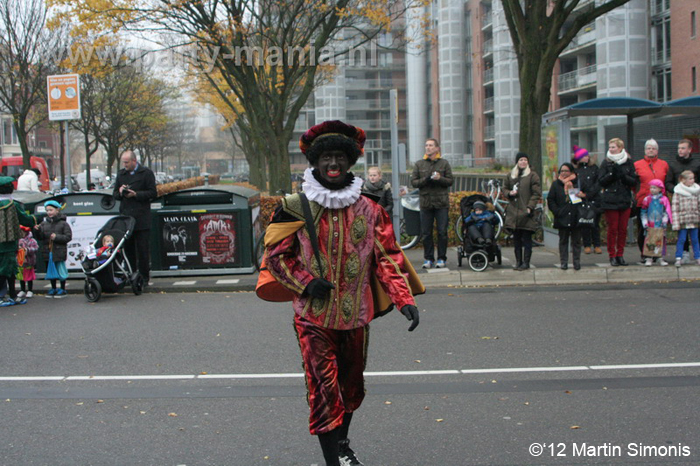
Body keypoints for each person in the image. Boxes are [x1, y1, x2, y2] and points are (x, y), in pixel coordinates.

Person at [265, 120, 422, 466]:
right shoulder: (294, 206)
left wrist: (404, 299)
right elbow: (276, 259)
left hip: (356, 318)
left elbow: (387, 257)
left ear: (350, 162)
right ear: (315, 162)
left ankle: (341, 444)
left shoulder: (370, 208)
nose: (333, 164)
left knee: (351, 390)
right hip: (313, 318)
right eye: (326, 157)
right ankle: (332, 461)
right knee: (324, 391)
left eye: (339, 157)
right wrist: (305, 282)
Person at [112, 150, 157, 284]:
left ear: (134, 161)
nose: (124, 165)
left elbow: (152, 193)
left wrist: (136, 194)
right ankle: (131, 275)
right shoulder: (121, 174)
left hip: (141, 217)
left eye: (126, 162)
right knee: (128, 249)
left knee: (143, 250)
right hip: (126, 218)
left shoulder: (146, 173)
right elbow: (114, 194)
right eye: (123, 162)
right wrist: (120, 192)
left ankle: (143, 277)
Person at [410, 138, 453, 269]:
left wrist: (440, 179)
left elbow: (450, 181)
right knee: (426, 233)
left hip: (441, 203)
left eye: (430, 145)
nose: (428, 148)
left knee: (442, 232)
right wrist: (426, 179)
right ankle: (428, 259)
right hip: (426, 203)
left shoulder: (444, 163)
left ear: (437, 148)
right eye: (426, 145)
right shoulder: (419, 164)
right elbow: (414, 182)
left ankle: (441, 258)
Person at [598, 138, 638, 266]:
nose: (611, 149)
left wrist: (623, 176)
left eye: (613, 147)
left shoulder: (628, 162)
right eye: (610, 147)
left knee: (622, 229)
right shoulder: (606, 162)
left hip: (624, 199)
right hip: (611, 200)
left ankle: (620, 254)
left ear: (620, 148)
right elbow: (601, 181)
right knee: (613, 229)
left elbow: (634, 181)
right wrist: (612, 174)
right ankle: (612, 255)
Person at [0, 176, 37, 307]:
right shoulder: (12, 204)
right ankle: (9, 295)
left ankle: (10, 294)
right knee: (8, 269)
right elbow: (25, 219)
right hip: (9, 243)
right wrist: (34, 219)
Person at [503, 152, 541, 271]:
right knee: (517, 240)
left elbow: (536, 193)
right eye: (521, 160)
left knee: (527, 239)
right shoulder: (511, 175)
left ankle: (526, 262)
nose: (523, 162)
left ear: (528, 162)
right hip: (514, 212)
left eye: (525, 160)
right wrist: (509, 193)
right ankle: (518, 261)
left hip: (526, 213)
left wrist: (530, 207)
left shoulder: (533, 176)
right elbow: (505, 188)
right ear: (517, 162)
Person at [634, 139, 669, 263]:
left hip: (659, 203)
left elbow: (666, 181)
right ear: (645, 150)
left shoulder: (664, 164)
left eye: (653, 148)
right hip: (643, 201)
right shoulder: (637, 164)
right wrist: (638, 195)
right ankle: (645, 254)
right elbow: (634, 183)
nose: (651, 150)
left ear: (657, 150)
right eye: (648, 148)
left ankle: (657, 254)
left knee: (658, 229)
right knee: (643, 229)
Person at [665, 139, 700, 263]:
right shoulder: (673, 165)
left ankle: (697, 255)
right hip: (680, 200)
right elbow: (668, 182)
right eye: (679, 148)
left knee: (696, 233)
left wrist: (695, 190)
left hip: (694, 199)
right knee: (682, 233)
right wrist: (676, 190)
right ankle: (683, 254)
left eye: (683, 148)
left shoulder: (697, 163)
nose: (680, 150)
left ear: (689, 150)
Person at [547, 163, 583, 270]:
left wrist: (581, 196)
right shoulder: (556, 184)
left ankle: (576, 262)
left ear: (571, 172)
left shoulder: (577, 182)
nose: (563, 173)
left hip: (575, 215)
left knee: (576, 241)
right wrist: (557, 211)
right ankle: (564, 262)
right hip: (562, 216)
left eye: (566, 171)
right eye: (562, 171)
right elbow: (551, 199)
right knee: (563, 241)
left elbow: (583, 197)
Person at [34, 200, 72, 298]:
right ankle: (53, 288)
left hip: (59, 251)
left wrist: (57, 237)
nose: (49, 212)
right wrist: (37, 231)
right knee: (51, 271)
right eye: (47, 210)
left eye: (51, 210)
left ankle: (63, 289)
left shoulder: (64, 224)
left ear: (57, 210)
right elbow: (40, 238)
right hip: (48, 251)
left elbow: (68, 237)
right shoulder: (43, 223)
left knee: (61, 271)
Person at [572, 145, 602, 254]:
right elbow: (573, 184)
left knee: (595, 224)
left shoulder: (594, 168)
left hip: (594, 199)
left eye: (587, 156)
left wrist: (588, 194)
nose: (586, 158)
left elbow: (598, 183)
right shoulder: (576, 170)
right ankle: (587, 244)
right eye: (583, 156)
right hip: (581, 200)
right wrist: (578, 194)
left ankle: (597, 244)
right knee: (584, 223)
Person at [671, 170, 700, 267]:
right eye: (690, 178)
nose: (693, 180)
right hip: (683, 220)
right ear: (683, 180)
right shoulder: (678, 192)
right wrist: (675, 223)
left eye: (693, 178)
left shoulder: (697, 190)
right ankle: (678, 257)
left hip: (694, 219)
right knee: (682, 239)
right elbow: (675, 208)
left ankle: (698, 257)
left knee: (695, 239)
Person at [640, 179, 671, 266]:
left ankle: (660, 257)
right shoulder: (647, 199)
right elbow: (643, 212)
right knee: (650, 240)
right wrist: (645, 223)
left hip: (660, 224)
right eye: (651, 188)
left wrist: (665, 222)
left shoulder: (664, 200)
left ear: (660, 189)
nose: (652, 190)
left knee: (660, 241)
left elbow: (666, 212)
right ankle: (649, 257)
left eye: (654, 188)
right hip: (650, 224)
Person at [17, 226, 38, 300]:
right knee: (21, 276)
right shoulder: (18, 240)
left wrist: (28, 250)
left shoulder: (32, 241)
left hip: (29, 261)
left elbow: (36, 248)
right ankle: (22, 290)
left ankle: (30, 290)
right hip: (20, 261)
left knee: (29, 276)